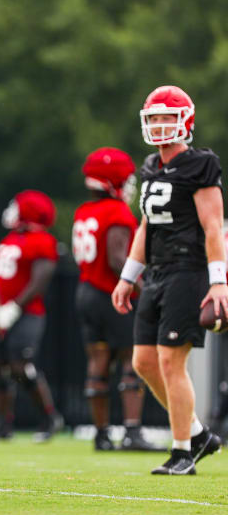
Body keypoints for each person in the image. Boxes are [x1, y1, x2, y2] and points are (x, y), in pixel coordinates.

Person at [112, 85, 226, 475]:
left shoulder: (201, 164)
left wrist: (218, 280)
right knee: (144, 362)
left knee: (171, 363)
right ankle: (197, 434)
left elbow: (213, 227)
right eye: (154, 118)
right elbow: (147, 224)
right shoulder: (150, 166)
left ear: (185, 121)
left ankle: (182, 452)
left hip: (188, 270)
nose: (160, 125)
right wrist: (129, 275)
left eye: (167, 117)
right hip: (158, 271)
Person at [73, 147, 159, 451]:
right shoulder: (117, 212)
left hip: (86, 291)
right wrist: (143, 284)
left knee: (97, 361)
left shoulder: (84, 210)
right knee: (129, 361)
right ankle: (132, 431)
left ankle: (101, 433)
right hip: (112, 292)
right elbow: (117, 258)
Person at [0, 190, 64, 441]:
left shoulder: (41, 240)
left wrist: (14, 307)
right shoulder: (12, 238)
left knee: (22, 367)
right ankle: (3, 426)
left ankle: (49, 417)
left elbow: (40, 281)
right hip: (0, 314)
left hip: (26, 315)